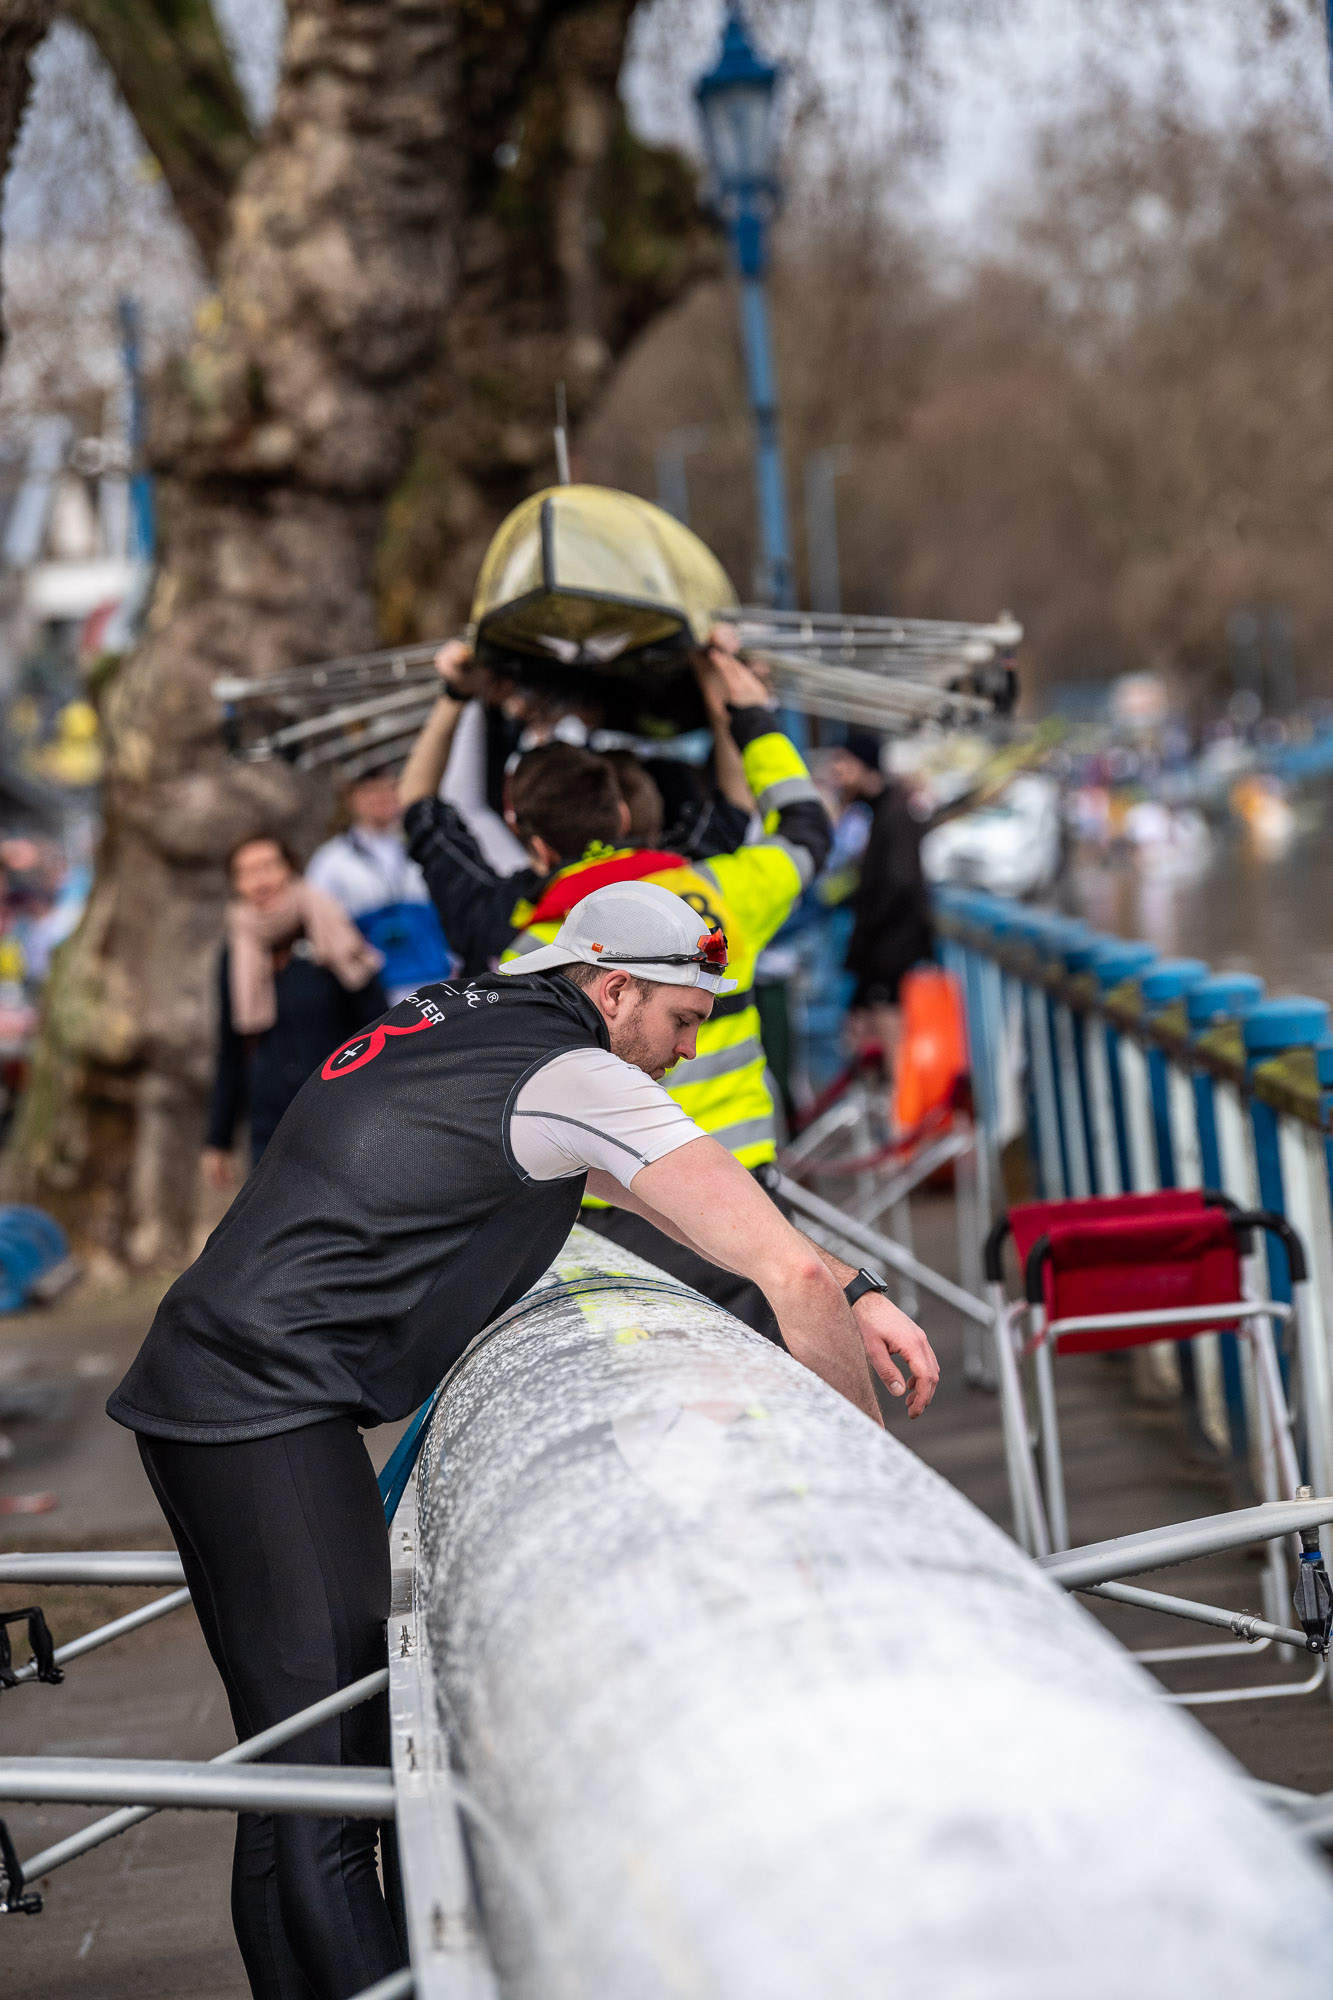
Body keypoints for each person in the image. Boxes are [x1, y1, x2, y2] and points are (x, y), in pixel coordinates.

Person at [108, 881, 938, 2000]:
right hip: (261, 1398)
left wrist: (865, 1285)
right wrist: (869, 1492)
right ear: (613, 987)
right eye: (684, 1019)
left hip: (219, 1381)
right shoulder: (581, 1074)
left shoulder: (475, 1016)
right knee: (340, 1780)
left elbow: (674, 1220)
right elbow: (783, 1276)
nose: (688, 1050)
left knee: (293, 1771)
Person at [397, 634, 830, 1331]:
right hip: (744, 1199)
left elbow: (420, 813)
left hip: (609, 1220)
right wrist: (741, 706)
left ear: (532, 842)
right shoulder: (722, 890)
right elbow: (803, 822)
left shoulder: (523, 946)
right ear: (624, 817)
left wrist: (457, 697)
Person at [203, 835, 388, 1188]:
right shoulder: (235, 953)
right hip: (272, 1123)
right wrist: (218, 1140)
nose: (260, 881)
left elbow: (378, 1021)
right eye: (246, 872)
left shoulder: (329, 926)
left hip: (341, 1111)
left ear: (289, 869)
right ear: (236, 884)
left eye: (268, 867)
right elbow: (231, 1051)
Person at [827, 732, 933, 1080]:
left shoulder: (895, 812)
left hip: (888, 953)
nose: (836, 771)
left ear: (864, 765)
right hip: (880, 952)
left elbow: (899, 882)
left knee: (890, 1041)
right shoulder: (879, 809)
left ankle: (897, 1117)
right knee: (865, 1033)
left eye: (844, 762)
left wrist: (868, 919)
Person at [304, 768, 451, 1002]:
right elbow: (322, 929)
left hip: (442, 978)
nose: (381, 797)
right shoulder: (329, 862)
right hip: (376, 991)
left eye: (389, 788)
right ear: (350, 798)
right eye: (370, 791)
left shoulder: (428, 843)